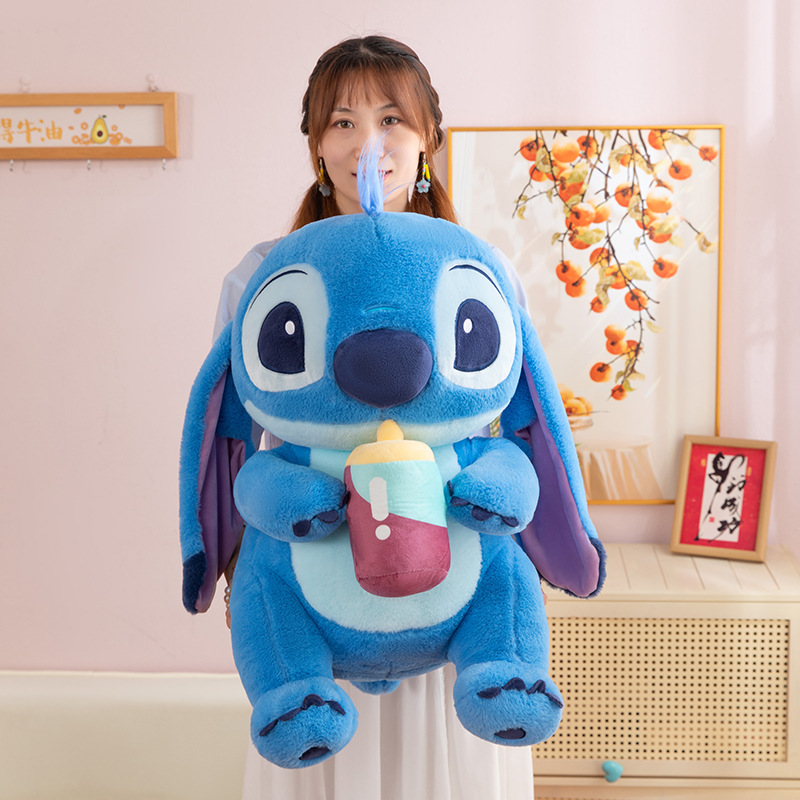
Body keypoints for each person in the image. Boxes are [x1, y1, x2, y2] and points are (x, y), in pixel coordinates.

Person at [213, 35, 535, 800]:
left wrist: (518, 558)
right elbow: (230, 433)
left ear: (428, 140)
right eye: (343, 122)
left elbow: (516, 421)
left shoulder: (480, 271)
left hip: (451, 568)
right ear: (317, 146)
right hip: (317, 566)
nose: (370, 143)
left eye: (392, 120)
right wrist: (237, 571)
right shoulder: (265, 276)